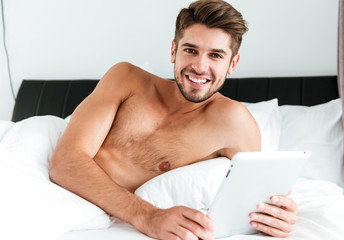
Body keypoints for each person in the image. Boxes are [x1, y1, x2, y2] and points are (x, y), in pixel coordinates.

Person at [49, 0, 298, 239]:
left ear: (232, 63)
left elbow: (259, 202)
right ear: (173, 51)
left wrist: (279, 215)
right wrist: (146, 216)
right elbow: (65, 162)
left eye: (216, 56)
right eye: (191, 50)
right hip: (58, 199)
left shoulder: (234, 123)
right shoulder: (125, 79)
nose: (200, 67)